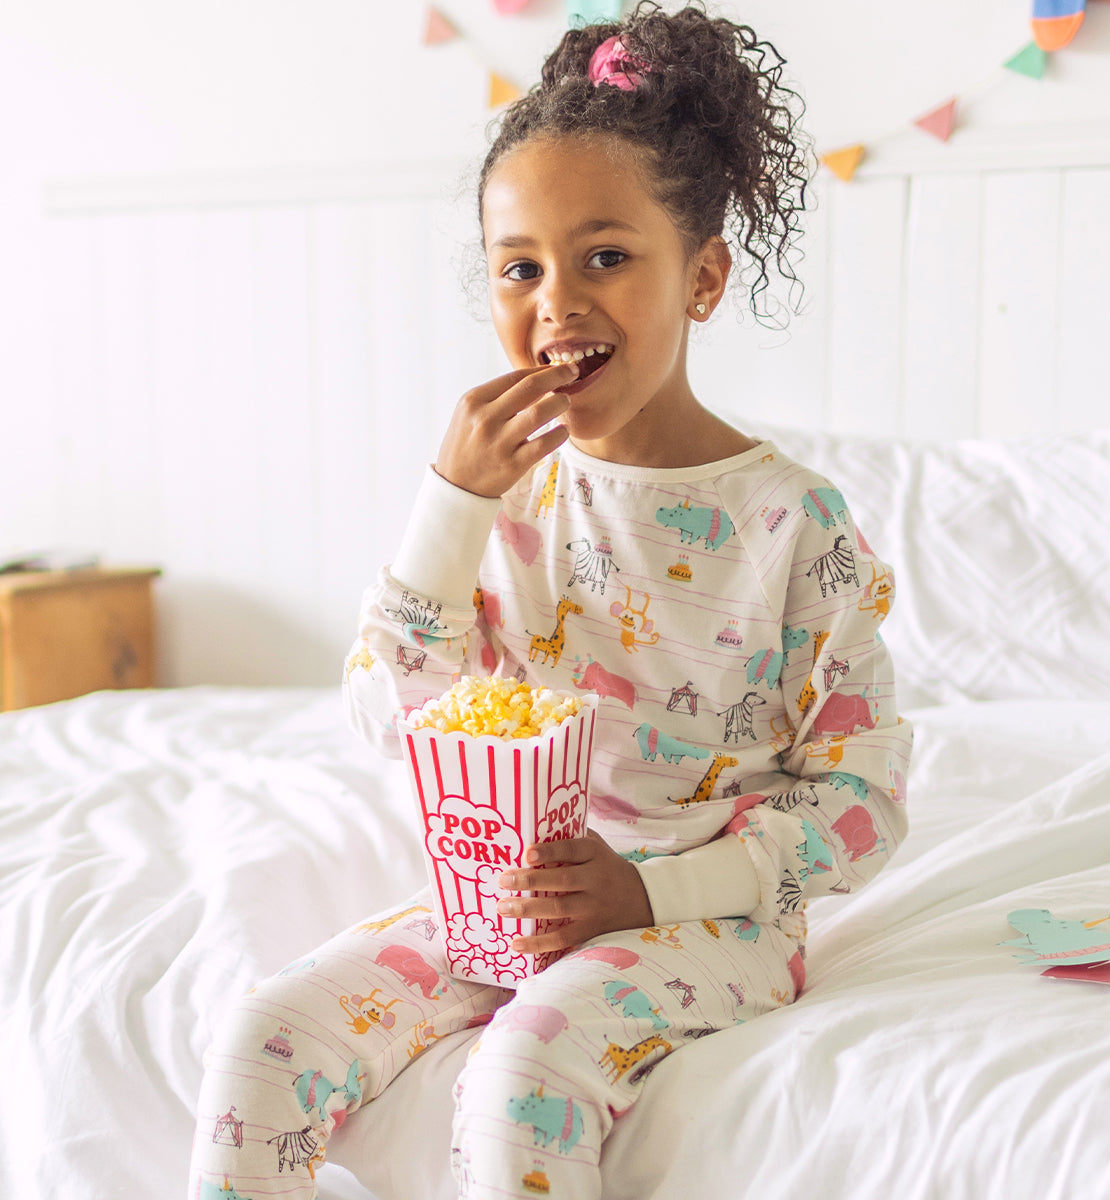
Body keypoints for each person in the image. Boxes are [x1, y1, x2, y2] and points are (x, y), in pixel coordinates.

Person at [187, 4, 912, 1197]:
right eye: (521, 267)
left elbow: (864, 805)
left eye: (606, 257)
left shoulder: (792, 523)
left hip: (707, 923)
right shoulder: (500, 499)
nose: (557, 303)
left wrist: (648, 891)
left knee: (522, 1070)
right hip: (503, 902)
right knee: (266, 1038)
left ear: (704, 278)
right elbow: (387, 717)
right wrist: (448, 507)